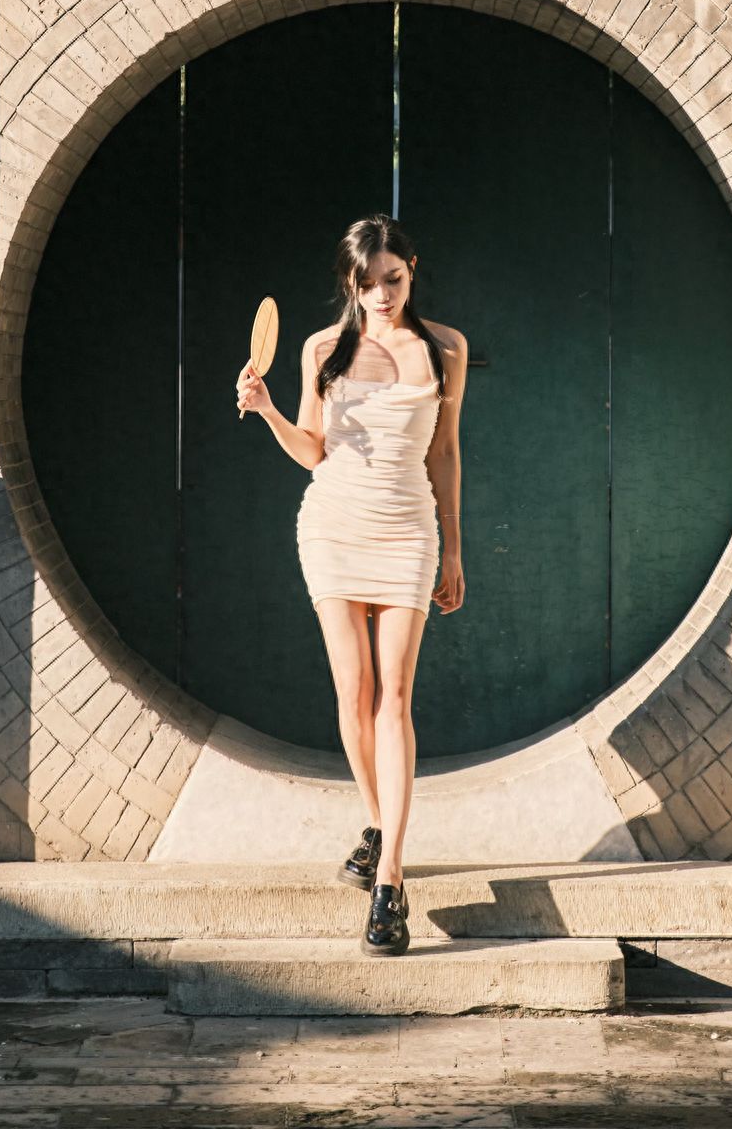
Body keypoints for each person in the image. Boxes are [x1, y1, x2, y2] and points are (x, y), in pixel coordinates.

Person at [236, 213, 467, 958]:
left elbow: (447, 455)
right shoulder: (321, 350)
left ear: (411, 269)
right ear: (349, 282)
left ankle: (390, 879)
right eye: (367, 284)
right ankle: (377, 821)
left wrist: (454, 551)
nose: (381, 296)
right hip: (332, 528)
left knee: (396, 697)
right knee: (354, 695)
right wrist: (268, 408)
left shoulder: (446, 349)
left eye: (393, 280)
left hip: (407, 531)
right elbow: (312, 451)